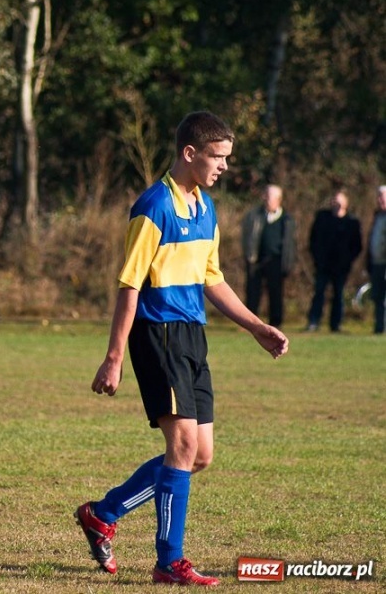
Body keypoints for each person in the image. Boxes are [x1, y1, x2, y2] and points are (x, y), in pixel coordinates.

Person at [79, 111, 289, 586]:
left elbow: (211, 278)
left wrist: (256, 326)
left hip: (193, 335)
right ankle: (168, 562)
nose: (225, 167)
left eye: (228, 158)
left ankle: (103, 512)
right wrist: (113, 357)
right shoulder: (153, 207)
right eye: (218, 157)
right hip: (158, 334)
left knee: (199, 456)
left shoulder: (206, 208)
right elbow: (129, 284)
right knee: (182, 445)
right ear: (189, 154)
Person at [240, 184, 297, 327]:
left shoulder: (287, 220)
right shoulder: (254, 216)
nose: (265, 199)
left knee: (276, 293)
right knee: (253, 292)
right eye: (265, 195)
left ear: (278, 199)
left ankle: (276, 322)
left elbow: (290, 244)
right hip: (257, 259)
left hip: (276, 261)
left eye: (269, 196)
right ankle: (250, 321)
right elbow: (247, 237)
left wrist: (288, 263)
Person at [306, 190, 362, 332]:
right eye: (334, 201)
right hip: (323, 264)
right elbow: (313, 240)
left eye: (339, 201)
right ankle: (313, 321)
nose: (335, 204)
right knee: (319, 293)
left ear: (346, 204)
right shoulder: (322, 218)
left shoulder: (351, 222)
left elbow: (357, 245)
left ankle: (336, 324)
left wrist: (347, 260)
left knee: (339, 295)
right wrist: (317, 258)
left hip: (341, 267)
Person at [366, 185, 386, 334]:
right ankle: (380, 327)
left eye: (383, 196)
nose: (380, 199)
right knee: (378, 297)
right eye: (378, 196)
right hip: (377, 263)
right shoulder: (377, 216)